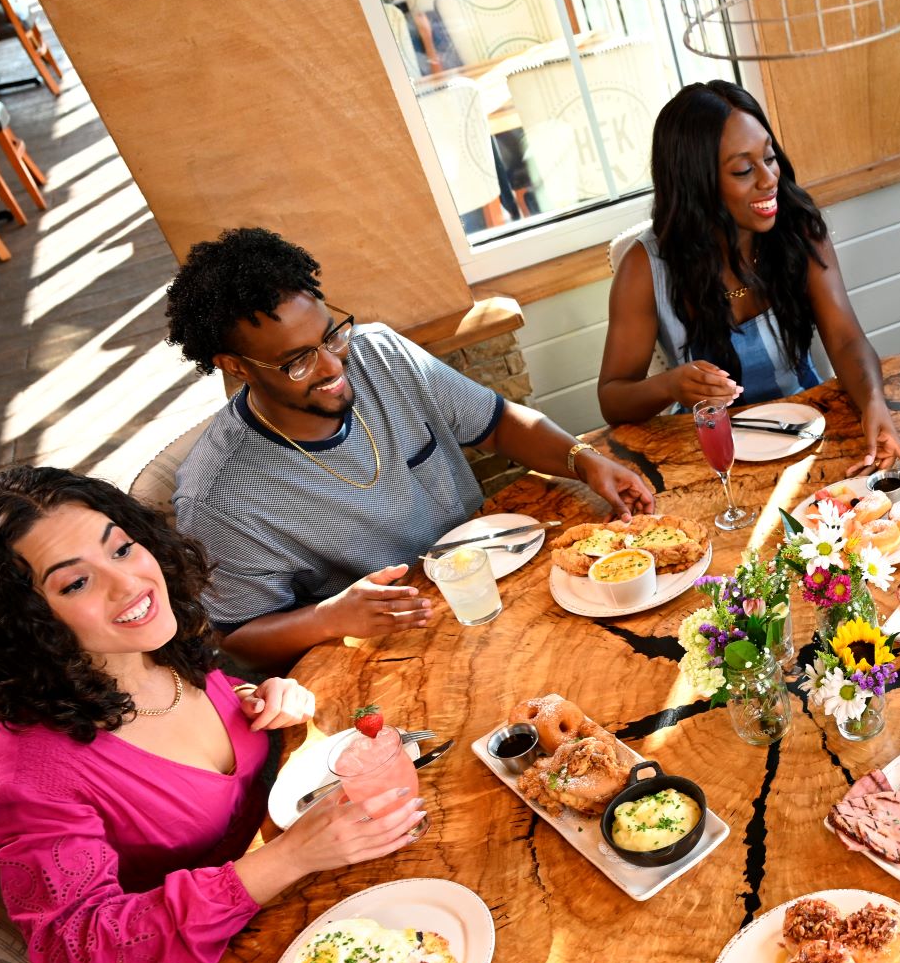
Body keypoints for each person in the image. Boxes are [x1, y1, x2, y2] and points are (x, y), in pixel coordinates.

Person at [0, 468, 427, 963]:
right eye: (75, 583)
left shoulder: (153, 645)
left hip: (315, 903)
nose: (129, 585)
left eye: (122, 549)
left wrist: (258, 699)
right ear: (24, 622)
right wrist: (287, 859)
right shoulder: (24, 768)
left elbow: (189, 734)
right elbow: (79, 952)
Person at [165, 228, 656, 670]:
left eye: (331, 336)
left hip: (498, 585)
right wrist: (328, 618)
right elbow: (239, 637)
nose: (334, 368)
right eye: (297, 362)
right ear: (237, 366)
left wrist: (582, 459)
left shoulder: (379, 354)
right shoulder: (218, 498)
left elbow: (500, 424)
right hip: (396, 651)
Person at [598, 81, 900, 473]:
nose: (768, 179)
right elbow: (612, 399)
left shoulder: (798, 226)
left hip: (807, 431)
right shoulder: (644, 268)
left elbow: (847, 339)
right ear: (696, 184)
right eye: (744, 169)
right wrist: (671, 385)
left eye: (769, 157)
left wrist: (873, 404)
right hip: (712, 455)